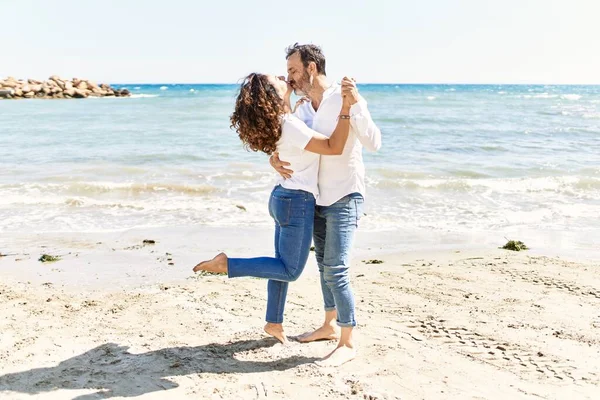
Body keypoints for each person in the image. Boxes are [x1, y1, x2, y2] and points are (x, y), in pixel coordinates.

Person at [193, 72, 354, 345]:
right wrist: (346, 110)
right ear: (272, 95)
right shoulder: (289, 124)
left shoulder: (282, 121)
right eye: (278, 80)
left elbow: (291, 133)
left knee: (278, 265)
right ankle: (226, 264)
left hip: (283, 198)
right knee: (289, 270)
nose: (283, 76)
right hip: (297, 202)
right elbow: (333, 146)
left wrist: (291, 98)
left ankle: (274, 322)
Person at [270, 43, 381, 366]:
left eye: (292, 70)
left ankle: (347, 341)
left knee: (337, 268)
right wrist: (273, 160)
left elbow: (374, 142)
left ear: (311, 68)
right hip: (313, 197)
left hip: (345, 194)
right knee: (323, 267)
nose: (288, 77)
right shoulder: (302, 109)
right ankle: (329, 326)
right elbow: (290, 142)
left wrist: (355, 103)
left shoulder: (343, 96)